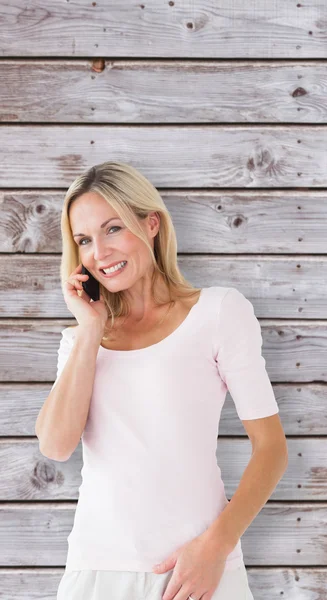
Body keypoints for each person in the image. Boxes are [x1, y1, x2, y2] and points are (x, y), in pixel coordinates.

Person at [35, 161, 288, 600]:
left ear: (151, 223)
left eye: (113, 229)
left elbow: (271, 449)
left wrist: (216, 547)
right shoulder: (81, 339)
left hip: (196, 570)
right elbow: (56, 446)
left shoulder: (218, 312)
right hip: (97, 570)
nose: (100, 252)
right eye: (84, 240)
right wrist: (91, 330)